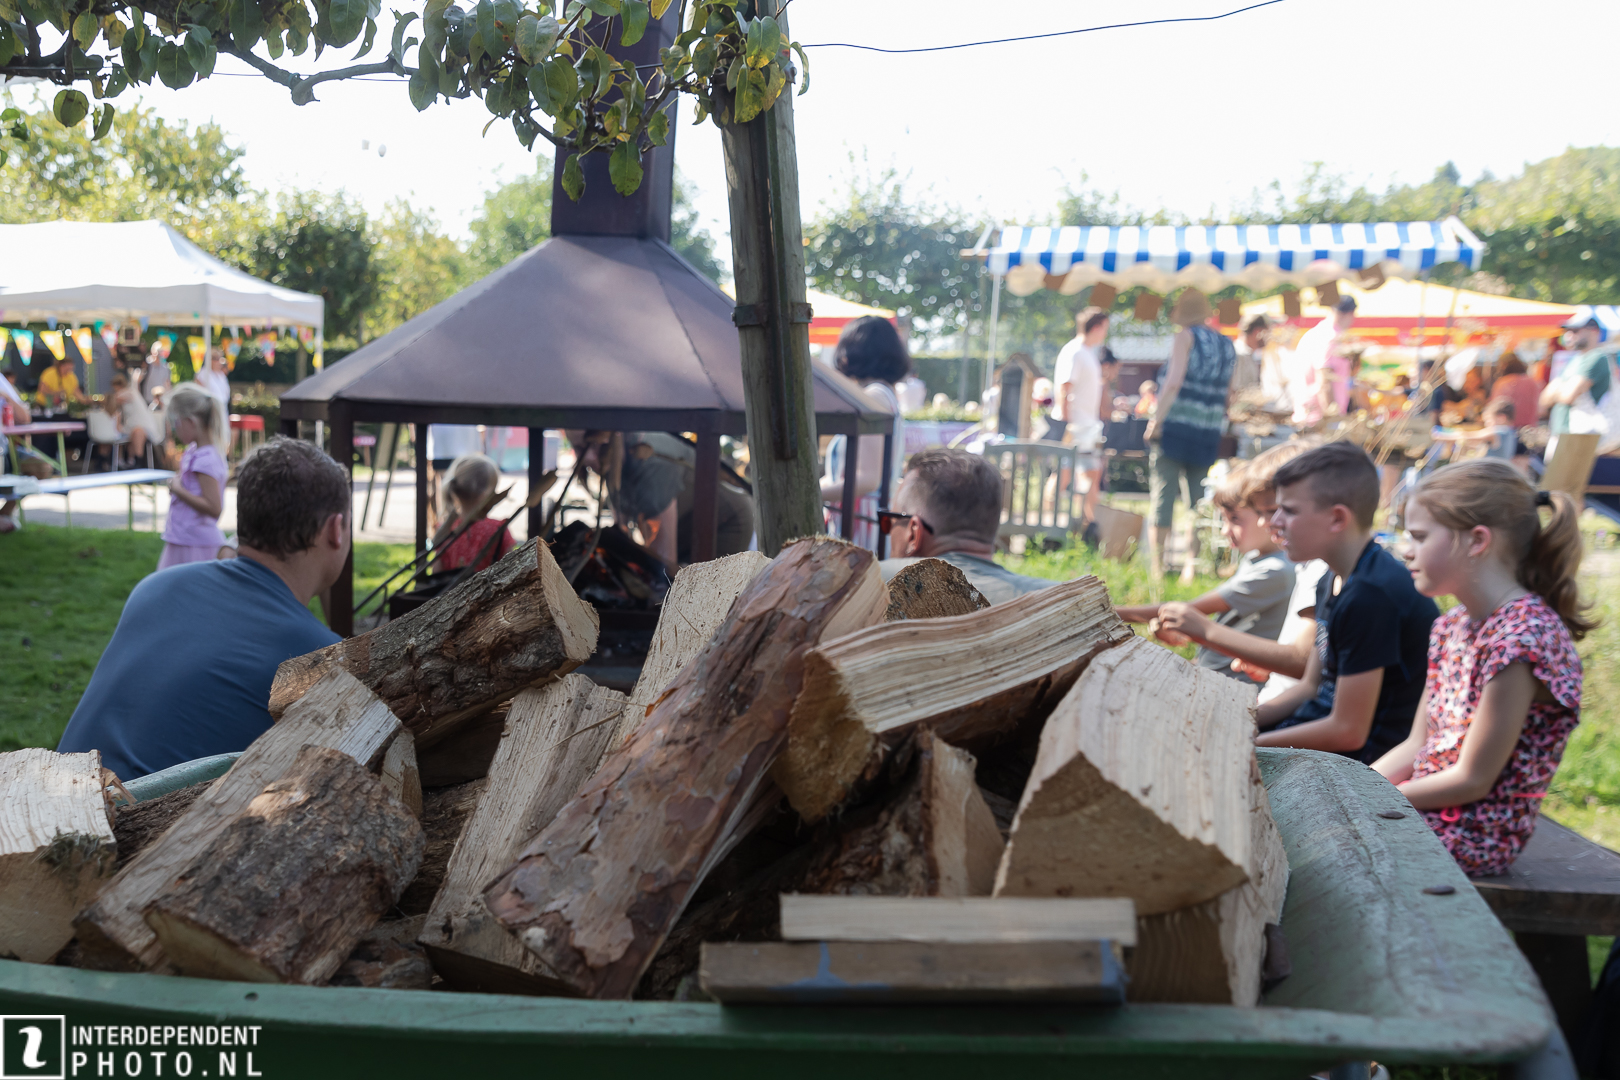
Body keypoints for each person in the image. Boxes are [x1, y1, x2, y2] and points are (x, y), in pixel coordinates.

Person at [57, 437, 350, 779]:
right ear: (335, 530)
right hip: (139, 814)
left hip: (47, 797)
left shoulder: (157, 586)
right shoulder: (320, 658)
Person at [1373, 461, 1588, 876]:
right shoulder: (1451, 626)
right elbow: (1418, 744)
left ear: (1476, 540)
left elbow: (1473, 779)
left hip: (1471, 833)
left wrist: (1374, 801)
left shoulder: (1522, 637)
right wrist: (1356, 786)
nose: (1405, 549)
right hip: (1422, 811)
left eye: (1419, 536)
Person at [1255, 442, 1440, 763]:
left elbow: (1348, 731)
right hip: (1318, 732)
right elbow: (1309, 686)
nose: (1275, 522)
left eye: (1290, 510)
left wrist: (1252, 746)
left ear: (1337, 518)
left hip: (1359, 764)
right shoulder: (1331, 577)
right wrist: (1243, 722)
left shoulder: (1371, 595)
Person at [1118, 452, 1295, 686]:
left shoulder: (1274, 571)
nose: (1224, 530)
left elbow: (1190, 611)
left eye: (1235, 519)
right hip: (1214, 671)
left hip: (1229, 682)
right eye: (1224, 519)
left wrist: (1113, 614)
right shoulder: (1256, 559)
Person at [877, 447, 1052, 605]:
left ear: (913, 533)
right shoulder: (1052, 598)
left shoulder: (874, 584)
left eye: (888, 522)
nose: (888, 531)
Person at [1144, 289, 1237, 582]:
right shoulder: (1227, 344)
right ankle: (1191, 567)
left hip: (1175, 428)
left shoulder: (1185, 337)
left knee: (1163, 495)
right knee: (1198, 501)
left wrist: (1156, 421)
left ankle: (1157, 568)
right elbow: (1229, 395)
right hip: (1207, 432)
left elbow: (1173, 382)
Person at [821, 316, 909, 551]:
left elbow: (868, 479)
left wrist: (811, 494)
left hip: (861, 525)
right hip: (865, 520)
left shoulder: (874, 396)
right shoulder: (884, 394)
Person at [159, 383, 230, 570]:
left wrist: (178, 490)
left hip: (195, 546)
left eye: (176, 422)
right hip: (184, 538)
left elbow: (214, 508)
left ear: (191, 422)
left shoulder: (206, 460)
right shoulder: (194, 452)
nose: (175, 428)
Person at [1540, 314, 1618, 454]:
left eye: (1575, 331)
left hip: (1581, 436)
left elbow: (1568, 396)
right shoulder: (1574, 360)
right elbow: (1544, 399)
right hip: (1563, 434)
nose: (1569, 336)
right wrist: (1565, 389)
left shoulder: (1597, 356)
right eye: (1567, 331)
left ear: (1593, 331)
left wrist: (1560, 390)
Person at [435, 453, 516, 572]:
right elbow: (510, 571)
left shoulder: (445, 531)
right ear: (487, 493)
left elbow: (436, 573)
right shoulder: (498, 530)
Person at [1289, 296, 1357, 426]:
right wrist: (1333, 420)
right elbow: (1325, 382)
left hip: (1307, 415)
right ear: (1350, 314)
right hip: (1320, 420)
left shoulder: (1314, 333)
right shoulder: (1331, 338)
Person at [109, 372, 164, 464]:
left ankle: (137, 461)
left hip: (142, 426)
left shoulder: (128, 393)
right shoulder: (132, 393)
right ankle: (128, 461)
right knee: (131, 434)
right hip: (132, 426)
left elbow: (114, 399)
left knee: (137, 432)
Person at [1490, 355, 1541, 433]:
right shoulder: (1533, 383)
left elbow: (1496, 408)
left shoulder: (1503, 383)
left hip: (1509, 431)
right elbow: (1539, 408)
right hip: (1530, 430)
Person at [1230, 314, 1269, 396]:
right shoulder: (1239, 354)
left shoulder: (1246, 354)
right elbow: (1235, 391)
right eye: (1267, 332)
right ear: (1257, 332)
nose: (1268, 338)